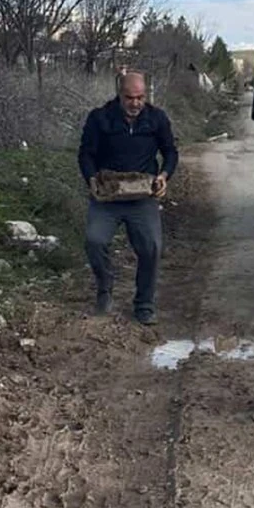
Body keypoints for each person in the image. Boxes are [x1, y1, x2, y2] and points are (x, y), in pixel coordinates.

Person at [77, 71, 178, 325]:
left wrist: (164, 175)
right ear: (119, 94)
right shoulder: (100, 118)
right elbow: (85, 154)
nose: (135, 103)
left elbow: (170, 152)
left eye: (140, 97)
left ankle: (144, 304)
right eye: (129, 98)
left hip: (142, 196)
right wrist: (91, 179)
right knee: (94, 241)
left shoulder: (157, 119)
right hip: (108, 195)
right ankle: (105, 288)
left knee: (152, 247)